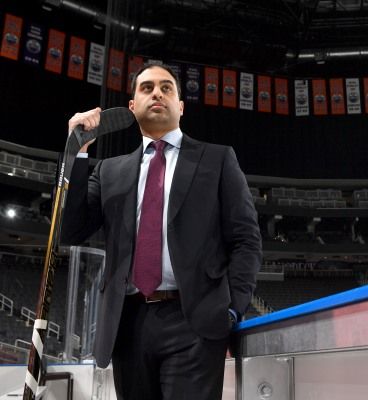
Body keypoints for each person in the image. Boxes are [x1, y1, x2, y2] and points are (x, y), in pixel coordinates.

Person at [61, 64, 262, 400]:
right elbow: (71, 230)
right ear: (131, 107)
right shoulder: (108, 171)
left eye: (167, 88)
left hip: (194, 322)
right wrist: (78, 150)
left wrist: (232, 309)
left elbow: (246, 239)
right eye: (147, 87)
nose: (157, 93)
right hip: (128, 324)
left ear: (181, 106)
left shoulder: (217, 160)